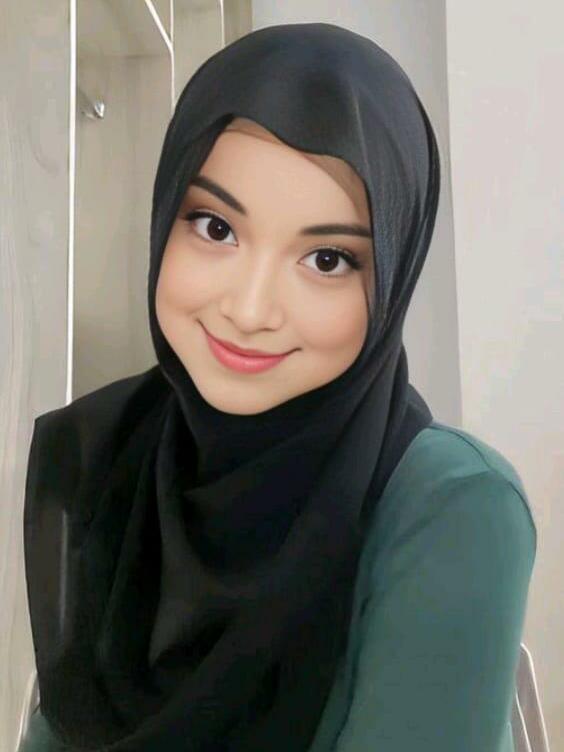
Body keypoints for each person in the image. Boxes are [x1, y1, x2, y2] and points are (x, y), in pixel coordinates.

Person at [19, 22, 536, 752]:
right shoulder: (108, 462)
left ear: (393, 277)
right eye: (215, 227)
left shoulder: (453, 507)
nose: (250, 308)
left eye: (327, 259)